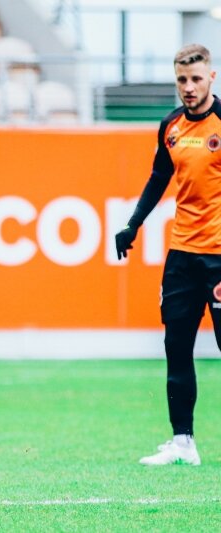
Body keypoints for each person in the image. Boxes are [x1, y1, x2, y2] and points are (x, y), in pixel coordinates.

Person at [115, 43, 221, 467]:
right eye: (181, 80)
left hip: (218, 257)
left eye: (195, 78)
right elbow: (159, 177)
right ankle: (183, 443)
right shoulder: (171, 126)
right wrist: (133, 223)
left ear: (211, 77)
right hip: (182, 256)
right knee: (176, 348)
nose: (188, 87)